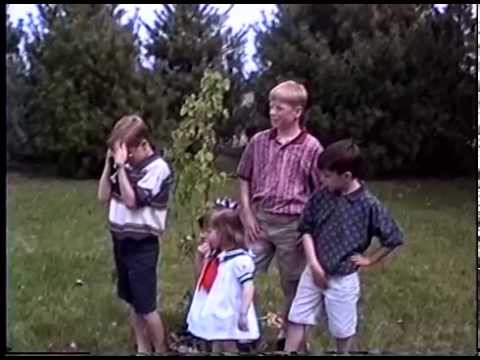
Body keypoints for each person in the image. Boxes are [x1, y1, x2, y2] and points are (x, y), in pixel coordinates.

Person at [284, 139, 405, 353]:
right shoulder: (321, 196)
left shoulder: (369, 205)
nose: (322, 180)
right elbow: (306, 229)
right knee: (297, 317)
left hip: (342, 278)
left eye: (328, 176)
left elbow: (393, 237)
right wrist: (313, 264)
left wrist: (370, 259)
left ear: (347, 176)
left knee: (342, 328)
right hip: (313, 271)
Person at [236, 80, 324, 348]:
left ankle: (289, 335)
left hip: (292, 225)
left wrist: (310, 229)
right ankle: (246, 330)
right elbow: (244, 177)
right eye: (271, 107)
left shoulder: (311, 147)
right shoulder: (259, 141)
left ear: (297, 112)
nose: (273, 113)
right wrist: (248, 215)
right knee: (241, 271)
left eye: (280, 108)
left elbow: (321, 193)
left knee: (293, 284)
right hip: (260, 222)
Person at [97, 115, 174, 354]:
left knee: (146, 305)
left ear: (143, 144)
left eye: (129, 152)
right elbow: (102, 195)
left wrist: (121, 167)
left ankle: (160, 349)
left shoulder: (158, 168)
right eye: (122, 152)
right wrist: (109, 164)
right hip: (121, 240)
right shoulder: (123, 165)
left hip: (143, 243)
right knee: (132, 300)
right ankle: (142, 348)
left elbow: (132, 201)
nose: (126, 157)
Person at [186, 206, 260, 353]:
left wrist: (243, 312)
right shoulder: (217, 257)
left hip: (229, 312)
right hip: (216, 311)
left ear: (225, 233)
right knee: (216, 342)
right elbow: (201, 279)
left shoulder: (240, 260)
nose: (205, 235)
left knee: (228, 344)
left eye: (210, 231)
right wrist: (199, 257)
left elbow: (248, 286)